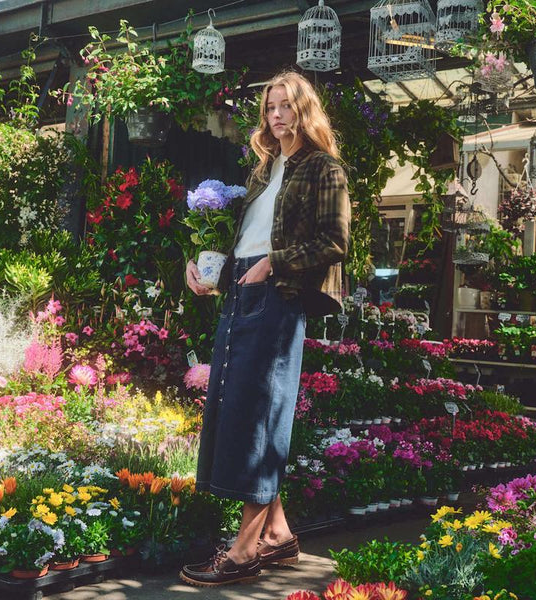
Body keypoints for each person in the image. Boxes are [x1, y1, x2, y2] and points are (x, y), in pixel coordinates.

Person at [181, 70, 350, 587]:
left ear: (304, 109)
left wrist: (275, 263)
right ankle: (277, 534)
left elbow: (335, 241)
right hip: (241, 292)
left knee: (259, 417)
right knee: (238, 409)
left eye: (285, 106)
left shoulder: (324, 168)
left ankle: (244, 550)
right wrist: (207, 268)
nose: (276, 116)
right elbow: (248, 240)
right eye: (269, 107)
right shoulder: (263, 170)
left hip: (278, 300)